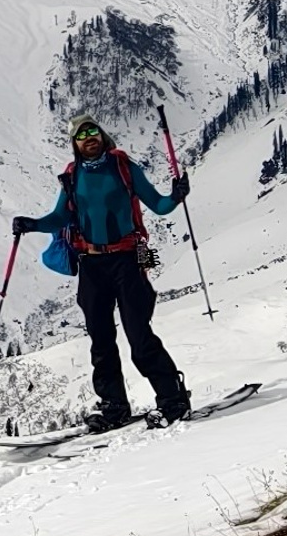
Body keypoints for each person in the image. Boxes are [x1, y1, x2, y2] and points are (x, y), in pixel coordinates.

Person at [13, 113, 194, 429]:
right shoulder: (72, 177)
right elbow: (60, 217)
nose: (88, 138)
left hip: (128, 261)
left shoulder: (123, 168)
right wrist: (32, 225)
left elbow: (159, 205)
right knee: (101, 339)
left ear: (102, 134)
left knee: (139, 335)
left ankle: (173, 400)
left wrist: (176, 196)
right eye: (82, 135)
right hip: (91, 264)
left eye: (93, 131)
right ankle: (114, 407)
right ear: (74, 143)